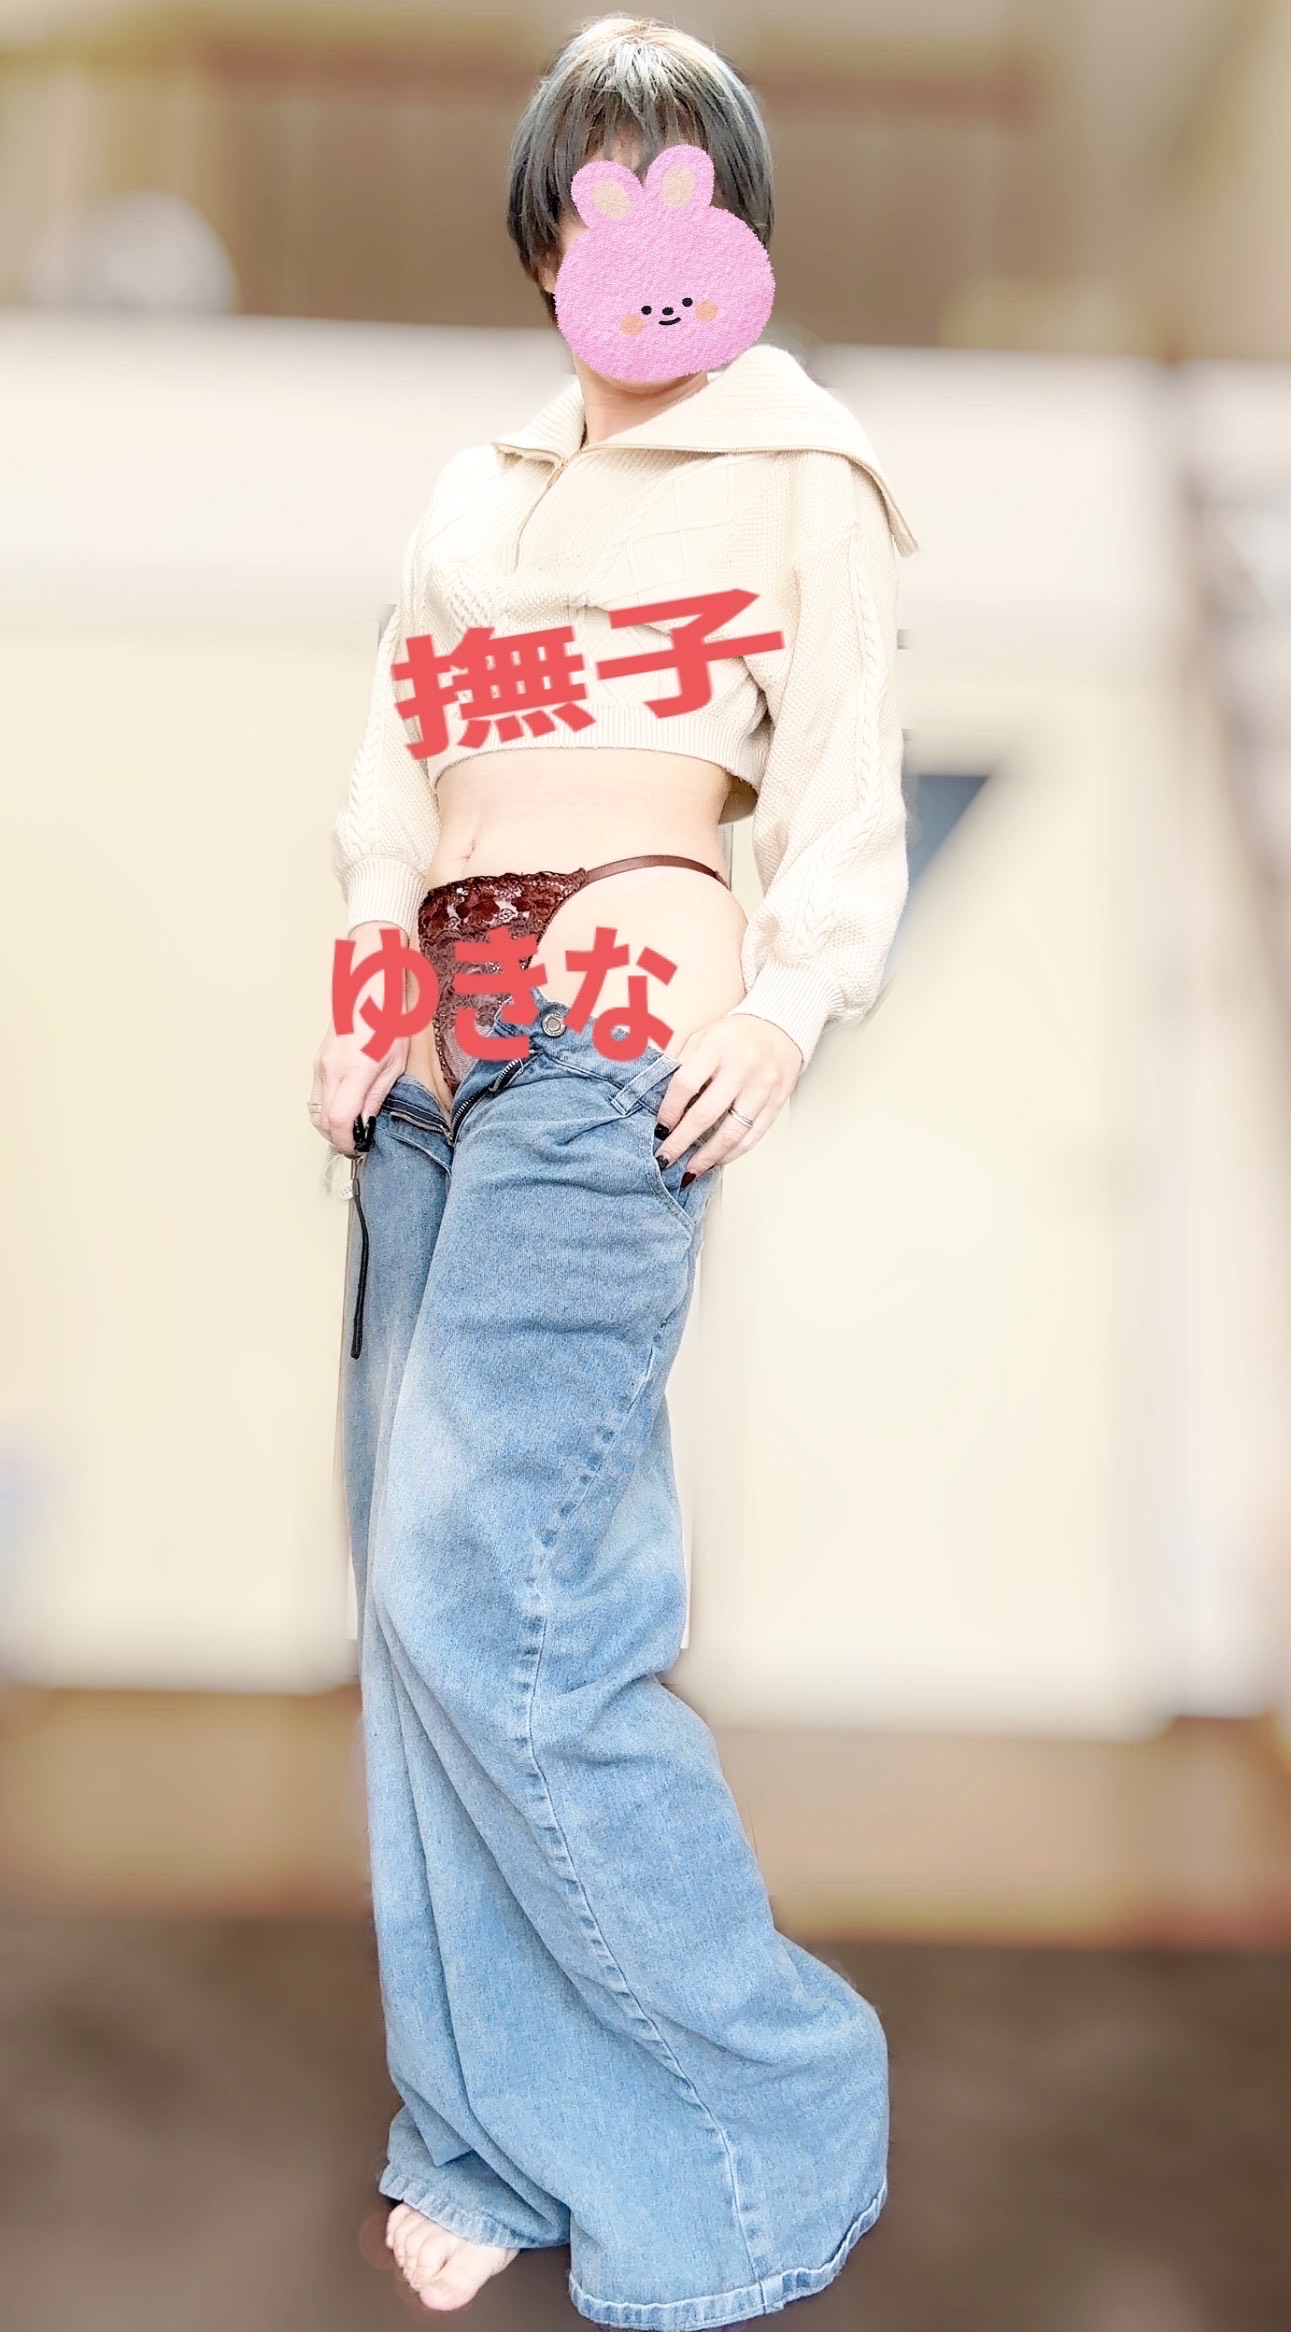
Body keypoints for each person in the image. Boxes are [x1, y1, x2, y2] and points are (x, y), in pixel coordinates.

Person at [310, 17, 918, 2326]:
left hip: (612, 1016)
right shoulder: (476, 487)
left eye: (694, 183)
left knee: (499, 1592)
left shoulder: (800, 465)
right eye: (604, 185)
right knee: (407, 1607)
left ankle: (772, 2107)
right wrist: (360, 990)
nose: (651, 229)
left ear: (741, 219)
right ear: (544, 225)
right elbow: (395, 773)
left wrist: (788, 1002)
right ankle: (486, 2129)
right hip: (433, 1040)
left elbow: (843, 768)